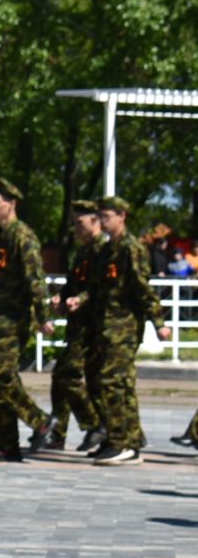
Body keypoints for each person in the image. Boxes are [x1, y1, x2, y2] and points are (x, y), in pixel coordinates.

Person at [82, 196, 170, 466]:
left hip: (124, 326)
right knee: (114, 382)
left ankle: (122, 442)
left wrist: (159, 322)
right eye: (101, 216)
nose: (103, 221)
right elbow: (97, 289)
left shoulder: (131, 249)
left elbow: (142, 287)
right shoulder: (108, 250)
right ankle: (124, 439)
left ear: (122, 216)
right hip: (105, 326)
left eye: (107, 216)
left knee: (113, 381)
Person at [0, 180, 49, 463]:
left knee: (4, 376)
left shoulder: (23, 237)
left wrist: (42, 316)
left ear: (12, 204)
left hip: (15, 319)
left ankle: (40, 420)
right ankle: (7, 445)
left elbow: (35, 280)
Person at [45, 200, 106, 451]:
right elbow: (74, 283)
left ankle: (97, 425)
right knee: (63, 376)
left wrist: (80, 299)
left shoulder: (104, 250)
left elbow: (102, 288)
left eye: (80, 222)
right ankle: (58, 433)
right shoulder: (83, 251)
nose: (75, 228)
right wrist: (61, 297)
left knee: (68, 375)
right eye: (74, 222)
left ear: (96, 221)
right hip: (78, 325)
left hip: (94, 326)